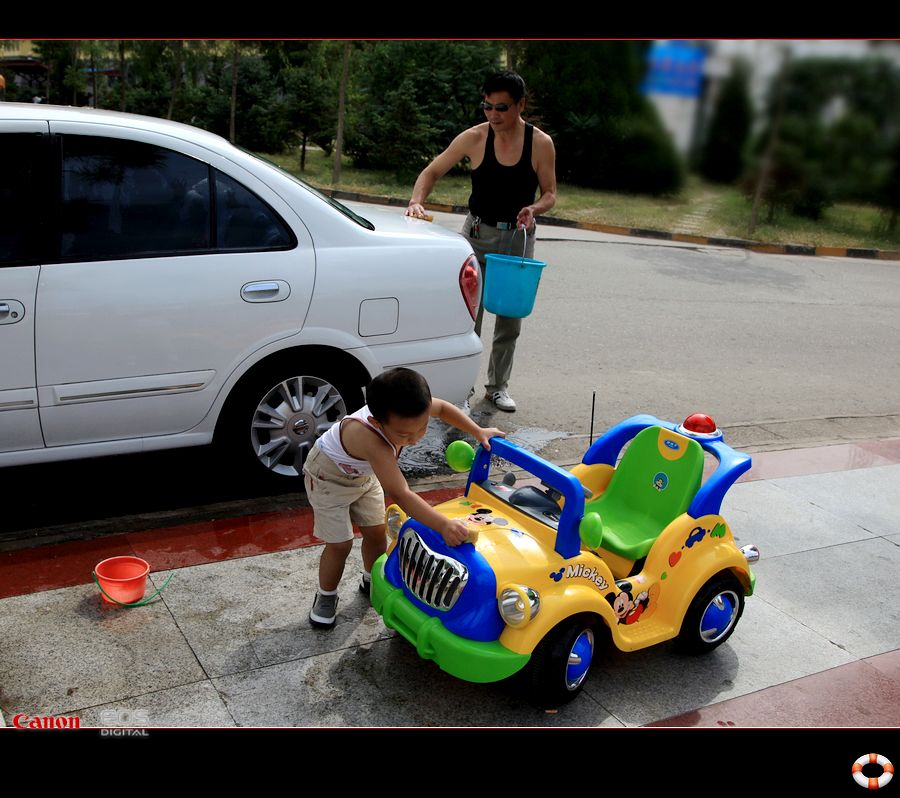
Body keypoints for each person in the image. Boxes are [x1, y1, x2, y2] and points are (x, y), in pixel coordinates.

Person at [304, 367, 504, 628]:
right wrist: (442, 524)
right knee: (340, 544)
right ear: (378, 423)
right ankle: (326, 595)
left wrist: (478, 431)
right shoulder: (370, 438)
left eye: (421, 428)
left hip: (364, 476)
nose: (414, 439)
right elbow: (400, 493)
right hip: (327, 478)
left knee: (376, 532)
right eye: (403, 435)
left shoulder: (411, 409)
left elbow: (443, 410)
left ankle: (370, 576)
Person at [406, 70, 557, 413]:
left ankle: (497, 387)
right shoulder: (474, 138)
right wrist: (417, 201)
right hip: (475, 236)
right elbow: (430, 173)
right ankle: (461, 387)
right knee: (467, 317)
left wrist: (534, 208)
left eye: (501, 107)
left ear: (521, 104)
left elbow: (550, 194)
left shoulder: (540, 143)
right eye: (487, 106)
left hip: (517, 239)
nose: (493, 115)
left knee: (508, 318)